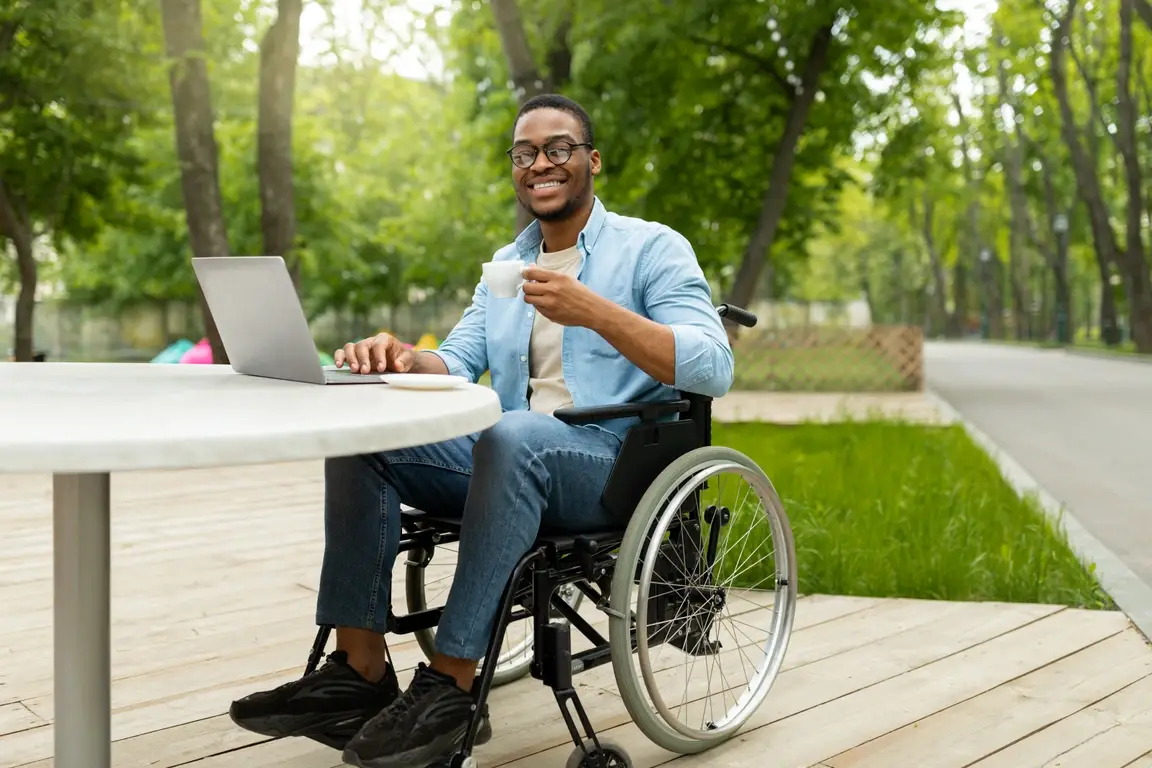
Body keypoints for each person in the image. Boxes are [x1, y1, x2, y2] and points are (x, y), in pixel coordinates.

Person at [227, 93, 734, 768]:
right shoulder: (508, 261)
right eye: (525, 153)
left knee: (514, 433)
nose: (540, 164)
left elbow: (713, 363)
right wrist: (402, 356)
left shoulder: (651, 249)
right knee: (361, 436)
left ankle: (452, 686)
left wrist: (596, 312)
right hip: (511, 458)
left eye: (558, 149)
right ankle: (360, 670)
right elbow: (457, 359)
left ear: (592, 162)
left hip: (612, 463)